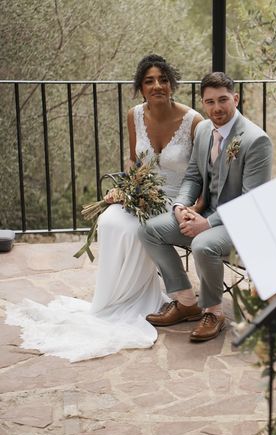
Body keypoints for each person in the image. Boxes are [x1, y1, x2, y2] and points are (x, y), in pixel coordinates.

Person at [6, 54, 203, 362]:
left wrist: (190, 205)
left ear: (172, 84)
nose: (157, 86)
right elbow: (135, 162)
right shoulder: (134, 115)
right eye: (149, 81)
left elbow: (200, 173)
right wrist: (124, 188)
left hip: (177, 199)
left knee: (140, 229)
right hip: (142, 192)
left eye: (163, 80)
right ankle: (112, 300)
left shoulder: (194, 121)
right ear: (140, 87)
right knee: (112, 220)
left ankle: (143, 298)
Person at [140, 72, 272, 343]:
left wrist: (207, 224)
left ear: (235, 98)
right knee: (149, 230)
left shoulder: (255, 140)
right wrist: (180, 206)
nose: (217, 108)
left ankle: (213, 312)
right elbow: (193, 176)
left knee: (203, 244)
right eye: (210, 102)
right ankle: (186, 301)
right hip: (206, 214)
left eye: (223, 100)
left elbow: (251, 201)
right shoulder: (202, 130)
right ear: (203, 103)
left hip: (243, 223)